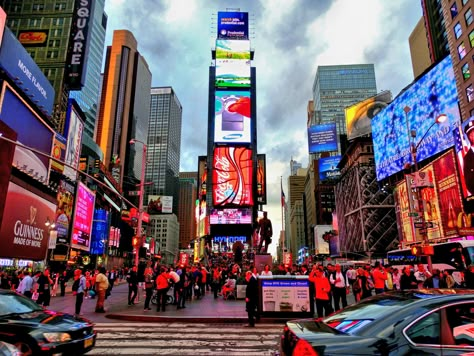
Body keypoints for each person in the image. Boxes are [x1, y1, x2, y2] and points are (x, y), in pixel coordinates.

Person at [463, 120, 474, 195]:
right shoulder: (466, 158)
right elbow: (468, 183)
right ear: (469, 137)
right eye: (471, 134)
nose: (473, 136)